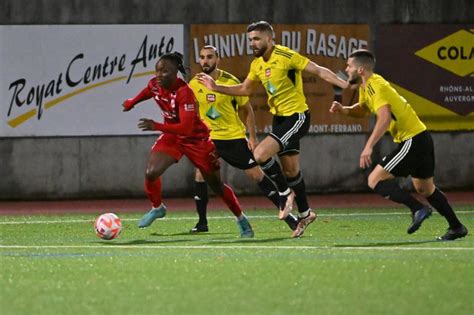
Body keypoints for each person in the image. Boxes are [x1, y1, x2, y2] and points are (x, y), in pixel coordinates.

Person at [197, 21, 349, 238]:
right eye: (250, 39)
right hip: (279, 119)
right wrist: (216, 87)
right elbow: (245, 89)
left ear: (270, 38)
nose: (253, 43)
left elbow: (318, 70)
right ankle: (305, 213)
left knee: (259, 154)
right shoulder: (257, 64)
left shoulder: (286, 56)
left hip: (297, 117)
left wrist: (347, 85)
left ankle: (285, 194)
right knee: (291, 171)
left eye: (257, 38)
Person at [329, 49, 468, 241]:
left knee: (375, 180)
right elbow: (363, 109)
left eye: (349, 66)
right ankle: (457, 227)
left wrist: (368, 146)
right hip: (421, 138)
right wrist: (344, 110)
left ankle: (418, 208)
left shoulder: (375, 86)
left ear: (360, 69)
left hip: (413, 139)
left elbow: (384, 118)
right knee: (425, 189)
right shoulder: (367, 86)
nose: (346, 69)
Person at [122, 52, 254, 238]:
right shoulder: (155, 84)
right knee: (151, 172)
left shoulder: (184, 92)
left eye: (165, 71)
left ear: (176, 72)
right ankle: (157, 208)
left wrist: (156, 126)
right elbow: (148, 90)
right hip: (172, 136)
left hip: (196, 139)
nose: (159, 75)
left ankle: (242, 220)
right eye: (158, 70)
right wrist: (132, 102)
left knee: (216, 185)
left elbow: (186, 127)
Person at [188, 45, 299, 233]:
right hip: (209, 139)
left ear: (218, 59)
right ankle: (202, 223)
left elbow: (248, 110)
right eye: (202, 57)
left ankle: (290, 217)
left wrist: (253, 138)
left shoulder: (230, 82)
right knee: (200, 175)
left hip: (233, 138)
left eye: (209, 57)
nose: (205, 61)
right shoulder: (194, 83)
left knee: (255, 175)